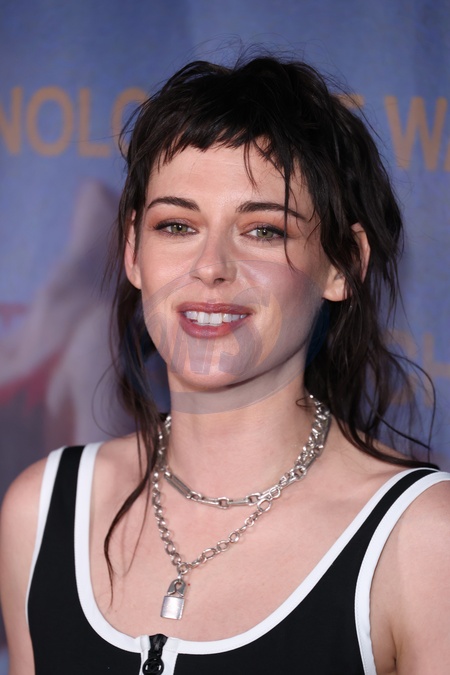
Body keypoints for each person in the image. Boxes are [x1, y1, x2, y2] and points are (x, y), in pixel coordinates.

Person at [1, 53, 450, 675]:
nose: (210, 267)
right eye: (176, 225)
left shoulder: (424, 540)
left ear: (343, 264)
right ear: (132, 250)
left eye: (263, 230)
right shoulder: (41, 511)